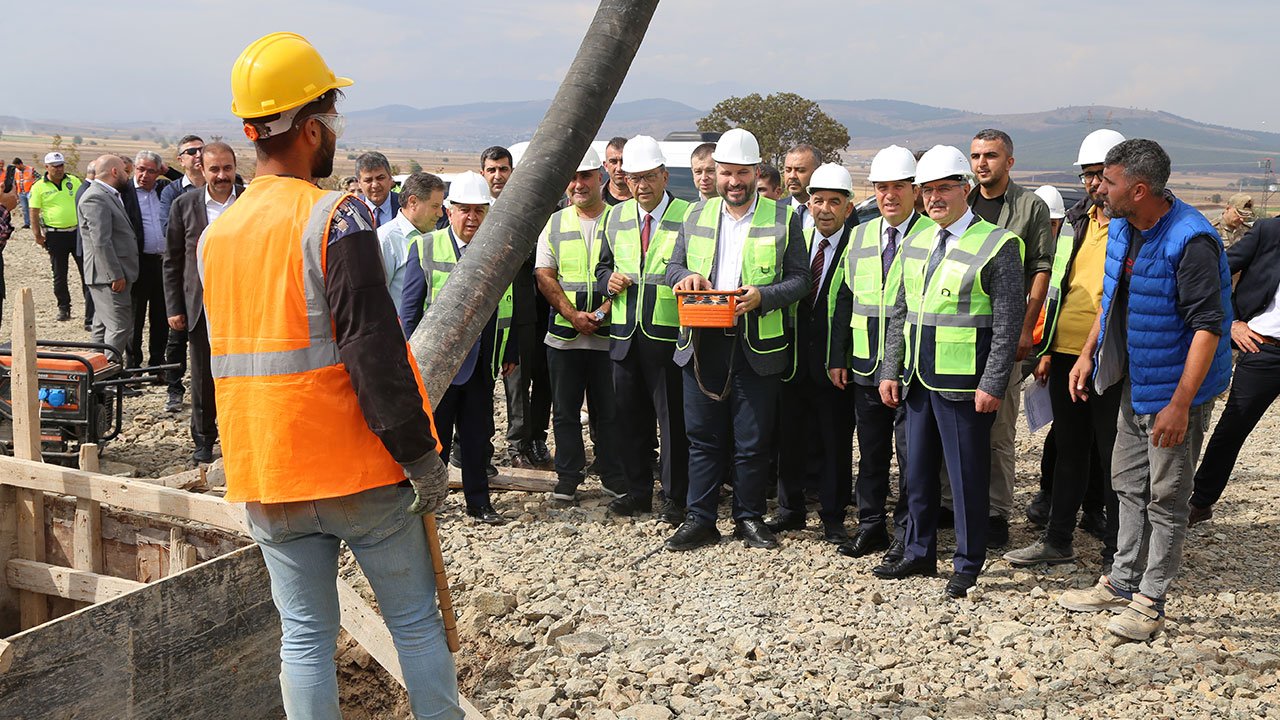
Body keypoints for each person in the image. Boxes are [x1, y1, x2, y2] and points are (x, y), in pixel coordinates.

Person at [204, 32, 461, 719]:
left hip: (267, 474)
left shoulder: (217, 235)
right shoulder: (333, 215)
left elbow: (223, 361)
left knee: (306, 639)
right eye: (332, 123)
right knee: (413, 625)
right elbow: (373, 351)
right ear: (311, 128)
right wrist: (420, 455)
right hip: (355, 471)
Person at [1058, 139, 1232, 642]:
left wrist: (1180, 406)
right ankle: (1120, 580)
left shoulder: (1191, 240)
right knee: (1127, 482)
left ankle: (1151, 602)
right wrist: (1090, 353)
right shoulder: (1121, 226)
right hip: (1136, 377)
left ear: (1137, 189)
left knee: (1166, 495)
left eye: (1107, 181)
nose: (1097, 187)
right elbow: (1112, 296)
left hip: (1177, 389)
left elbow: (1207, 327)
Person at [875, 145, 1024, 599]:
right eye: (928, 190)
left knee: (965, 479)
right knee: (916, 475)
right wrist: (890, 370)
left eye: (944, 188)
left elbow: (1007, 321)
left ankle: (968, 560)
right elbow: (900, 311)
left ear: (966, 189)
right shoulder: (918, 240)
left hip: (965, 385)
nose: (935, 198)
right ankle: (918, 553)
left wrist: (993, 382)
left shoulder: (997, 245)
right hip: (917, 381)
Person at [664, 128, 809, 552]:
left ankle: (748, 517)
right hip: (702, 341)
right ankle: (700, 518)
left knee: (752, 440)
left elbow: (801, 279)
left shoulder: (784, 218)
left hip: (756, 345)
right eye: (726, 173)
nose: (733, 181)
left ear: (756, 172)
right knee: (703, 437)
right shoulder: (695, 215)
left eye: (742, 173)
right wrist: (684, 278)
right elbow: (672, 269)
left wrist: (764, 297)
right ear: (717, 173)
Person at [1005, 131, 1128, 570]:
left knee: (1115, 457)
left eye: (1102, 175)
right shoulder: (1078, 219)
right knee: (1069, 451)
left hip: (1111, 358)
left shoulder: (1139, 226)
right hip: (1063, 353)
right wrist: (1046, 346)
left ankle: (1119, 553)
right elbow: (1058, 286)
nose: (1094, 184)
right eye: (1088, 175)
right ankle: (1058, 540)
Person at [829, 145, 935, 561]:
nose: (889, 195)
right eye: (881, 187)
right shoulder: (860, 234)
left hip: (912, 369)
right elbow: (842, 299)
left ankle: (906, 534)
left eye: (898, 187)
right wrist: (837, 357)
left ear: (915, 191)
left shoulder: (932, 235)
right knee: (871, 453)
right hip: (864, 364)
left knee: (912, 458)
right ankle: (870, 524)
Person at [401, 171, 516, 524]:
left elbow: (511, 304)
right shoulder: (424, 247)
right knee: (436, 439)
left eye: (479, 211)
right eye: (464, 210)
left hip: (481, 361)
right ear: (449, 211)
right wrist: (407, 360)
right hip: (437, 366)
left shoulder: (497, 251)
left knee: (478, 437)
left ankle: (479, 504)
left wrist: (508, 351)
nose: (472, 218)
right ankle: (430, 505)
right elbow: (409, 310)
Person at [594, 135, 691, 524]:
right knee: (628, 419)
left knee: (673, 425)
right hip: (623, 337)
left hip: (668, 337)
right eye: (634, 178)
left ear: (665, 176)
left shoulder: (688, 215)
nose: (641, 186)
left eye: (650, 177)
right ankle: (637, 492)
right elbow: (602, 268)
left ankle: (673, 498)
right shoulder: (615, 217)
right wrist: (607, 282)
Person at [965, 128, 1053, 548]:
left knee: (999, 428)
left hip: (1005, 332)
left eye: (992, 156)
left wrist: (1024, 328)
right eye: (976, 156)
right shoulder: (959, 202)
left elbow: (1040, 268)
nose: (983, 163)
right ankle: (954, 502)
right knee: (958, 420)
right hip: (960, 333)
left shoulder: (1029, 207)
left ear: (1009, 162)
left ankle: (997, 512)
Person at [768, 163, 857, 544]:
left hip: (835, 366)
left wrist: (844, 357)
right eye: (817, 200)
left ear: (848, 208)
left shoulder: (859, 248)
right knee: (789, 438)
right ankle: (789, 511)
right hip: (792, 362)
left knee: (835, 441)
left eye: (833, 202)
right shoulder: (795, 242)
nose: (824, 209)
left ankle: (834, 516)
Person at [535, 147, 626, 501]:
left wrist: (600, 313)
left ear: (600, 178)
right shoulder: (555, 222)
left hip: (608, 335)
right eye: (572, 177)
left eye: (585, 176)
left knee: (609, 412)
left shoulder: (621, 220)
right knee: (565, 412)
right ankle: (568, 476)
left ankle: (611, 474)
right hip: (564, 336)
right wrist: (573, 316)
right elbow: (544, 274)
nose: (578, 184)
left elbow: (627, 273)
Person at [1188, 216, 1280, 525]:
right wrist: (1231, 323)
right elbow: (1214, 271)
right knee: (1233, 428)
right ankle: (1200, 502)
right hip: (1264, 348)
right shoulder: (1270, 231)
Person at [164, 142, 239, 463]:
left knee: (245, 376)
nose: (222, 176)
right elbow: (172, 260)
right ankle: (204, 440)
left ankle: (240, 440)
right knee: (204, 377)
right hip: (202, 306)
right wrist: (174, 308)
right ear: (201, 170)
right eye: (215, 169)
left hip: (245, 307)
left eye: (227, 168)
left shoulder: (251, 201)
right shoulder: (184, 205)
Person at [485, 145, 554, 469]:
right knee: (479, 384)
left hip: (524, 313)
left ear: (512, 172)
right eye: (492, 170)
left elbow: (536, 257)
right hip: (484, 315)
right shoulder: (475, 211)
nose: (498, 175)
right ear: (484, 174)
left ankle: (521, 444)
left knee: (521, 383)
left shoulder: (530, 212)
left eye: (503, 169)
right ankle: (472, 446)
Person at [78, 155, 138, 358]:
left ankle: (96, 378)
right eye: (124, 171)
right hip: (108, 276)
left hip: (109, 274)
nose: (127, 175)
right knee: (119, 326)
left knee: (102, 325)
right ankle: (109, 381)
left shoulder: (107, 194)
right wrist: (114, 274)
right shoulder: (96, 197)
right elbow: (101, 241)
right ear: (114, 172)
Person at [29, 152, 89, 324]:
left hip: (77, 233)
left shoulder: (74, 181)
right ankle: (64, 308)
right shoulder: (39, 186)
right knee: (59, 274)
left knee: (87, 272)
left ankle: (91, 311)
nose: (59, 169)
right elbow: (34, 211)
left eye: (61, 165)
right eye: (55, 166)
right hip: (55, 235)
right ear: (46, 167)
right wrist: (37, 235)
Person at [378, 172, 445, 318]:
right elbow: (376, 299)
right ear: (413, 202)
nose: (440, 213)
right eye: (435, 206)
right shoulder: (386, 240)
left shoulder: (438, 237)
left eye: (441, 206)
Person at [159, 135, 205, 233]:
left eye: (202, 150)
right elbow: (167, 229)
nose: (198, 155)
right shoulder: (171, 192)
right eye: (192, 152)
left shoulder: (220, 185)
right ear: (181, 160)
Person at [781, 145, 820, 230]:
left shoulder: (835, 212)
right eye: (788, 170)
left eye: (800, 170)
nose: (792, 176)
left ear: (817, 172)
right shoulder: (776, 210)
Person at [357, 151, 399, 226]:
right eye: (368, 180)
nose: (375, 185)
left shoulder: (405, 205)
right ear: (359, 183)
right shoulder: (352, 209)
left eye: (380, 178)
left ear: (390, 178)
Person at [602, 136, 632, 206]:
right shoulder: (594, 198)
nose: (619, 168)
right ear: (605, 166)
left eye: (623, 161)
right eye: (613, 162)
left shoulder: (643, 200)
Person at [12, 158, 37, 228]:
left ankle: (34, 223)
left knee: (32, 208)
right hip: (21, 192)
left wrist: (34, 185)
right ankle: (27, 223)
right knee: (25, 209)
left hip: (30, 192)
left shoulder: (30, 169)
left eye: (17, 166)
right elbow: (14, 182)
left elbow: (39, 177)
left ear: (20, 164)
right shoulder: (16, 171)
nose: (16, 168)